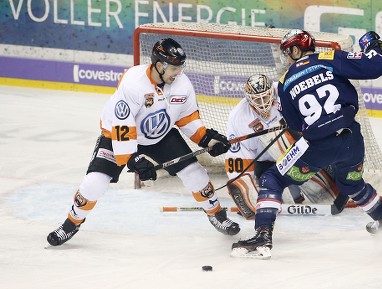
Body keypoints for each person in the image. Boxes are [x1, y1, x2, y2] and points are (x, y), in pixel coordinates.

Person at [47, 38, 240, 246]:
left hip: (160, 136)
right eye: (174, 67)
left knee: (196, 174)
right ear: (160, 65)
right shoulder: (133, 82)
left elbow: (187, 117)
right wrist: (132, 158)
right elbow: (122, 125)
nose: (179, 72)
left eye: (180, 67)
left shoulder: (181, 84)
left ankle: (216, 215)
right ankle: (71, 223)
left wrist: (205, 138)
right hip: (117, 136)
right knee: (94, 184)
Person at [231, 30, 382, 259]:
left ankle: (262, 236)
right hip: (352, 139)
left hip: (318, 146)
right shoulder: (330, 58)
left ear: (294, 50)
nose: (286, 58)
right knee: (351, 183)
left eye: (286, 52)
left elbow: (295, 125)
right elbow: (377, 66)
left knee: (273, 178)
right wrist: (373, 45)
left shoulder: (284, 82)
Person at [225, 74, 347, 219]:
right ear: (248, 98)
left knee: (328, 197)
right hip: (264, 164)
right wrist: (242, 190)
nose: (263, 103)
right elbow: (237, 158)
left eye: (265, 97)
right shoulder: (238, 117)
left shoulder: (287, 92)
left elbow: (316, 121)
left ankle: (321, 179)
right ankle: (291, 190)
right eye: (257, 99)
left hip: (296, 150)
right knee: (267, 200)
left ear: (272, 91)